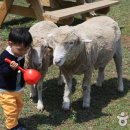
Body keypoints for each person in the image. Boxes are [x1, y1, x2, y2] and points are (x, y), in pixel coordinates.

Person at [0, 27, 32, 130]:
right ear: (10, 43)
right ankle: (12, 126)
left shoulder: (20, 55)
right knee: (10, 110)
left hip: (18, 88)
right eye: (20, 49)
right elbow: (3, 73)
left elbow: (21, 69)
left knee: (19, 106)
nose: (23, 52)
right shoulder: (5, 56)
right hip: (6, 90)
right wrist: (10, 69)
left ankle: (14, 121)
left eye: (26, 49)